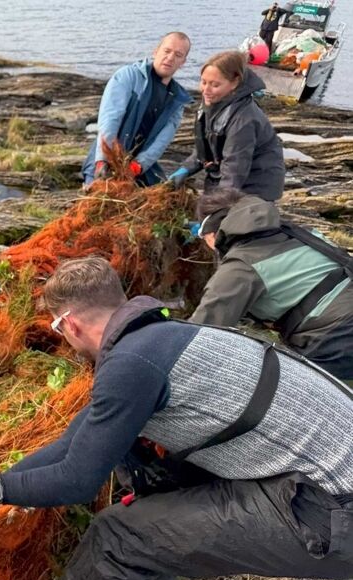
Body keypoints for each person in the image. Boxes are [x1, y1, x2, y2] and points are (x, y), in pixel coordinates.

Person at [0, 256, 353, 580]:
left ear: (69, 325)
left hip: (329, 508)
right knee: (151, 504)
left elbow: (77, 480)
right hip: (319, 483)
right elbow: (74, 440)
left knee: (119, 536)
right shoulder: (166, 338)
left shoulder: (132, 365)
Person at [190, 189, 353, 384]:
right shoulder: (298, 231)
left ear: (211, 233)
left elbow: (202, 333)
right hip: (344, 310)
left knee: (296, 398)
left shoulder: (241, 266)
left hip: (334, 336)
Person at [169, 51, 285, 202]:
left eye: (215, 85)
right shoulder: (213, 102)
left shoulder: (244, 120)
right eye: (203, 82)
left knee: (219, 220)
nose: (206, 90)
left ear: (235, 82)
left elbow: (234, 170)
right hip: (221, 174)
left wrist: (213, 212)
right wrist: (186, 168)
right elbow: (205, 146)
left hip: (256, 185)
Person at [82, 32, 193, 187]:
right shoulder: (128, 76)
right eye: (167, 51)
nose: (170, 58)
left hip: (140, 166)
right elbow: (110, 118)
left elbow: (162, 140)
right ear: (156, 51)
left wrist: (138, 165)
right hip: (106, 156)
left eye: (178, 55)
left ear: (183, 62)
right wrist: (103, 160)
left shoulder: (177, 100)